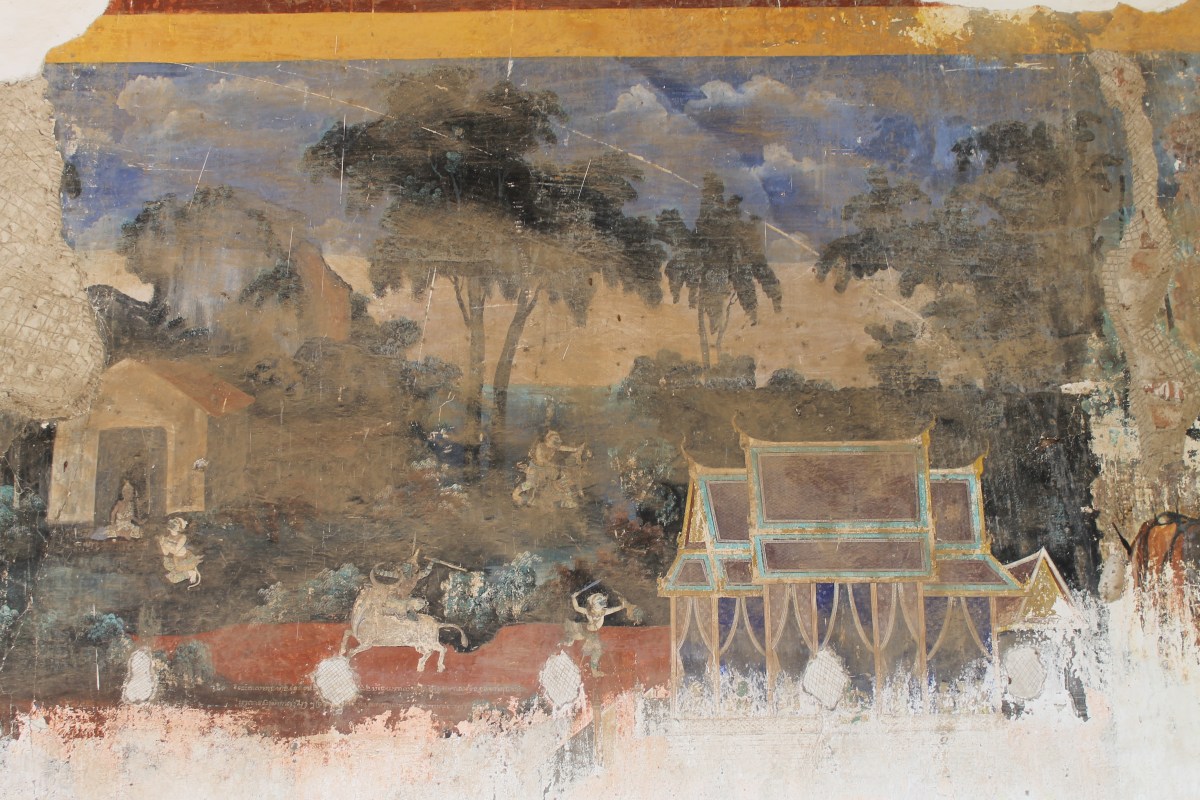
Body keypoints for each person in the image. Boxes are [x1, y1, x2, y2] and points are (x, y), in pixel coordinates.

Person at [562, 589, 629, 676]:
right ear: (594, 604)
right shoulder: (588, 611)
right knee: (597, 650)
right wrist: (573, 598)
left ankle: (594, 671)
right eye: (600, 601)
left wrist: (623, 605)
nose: (602, 603)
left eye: (602, 601)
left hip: (593, 633)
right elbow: (577, 608)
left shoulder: (603, 612)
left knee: (595, 649)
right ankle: (594, 672)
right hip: (590, 633)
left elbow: (614, 609)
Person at [158, 517, 202, 588]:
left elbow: (175, 550)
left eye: (176, 523)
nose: (173, 525)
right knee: (167, 564)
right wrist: (161, 544)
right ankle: (183, 573)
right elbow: (166, 553)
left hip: (184, 558)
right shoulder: (168, 538)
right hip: (176, 558)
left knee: (173, 578)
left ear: (179, 528)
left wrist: (164, 544)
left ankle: (191, 573)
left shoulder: (182, 537)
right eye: (174, 522)